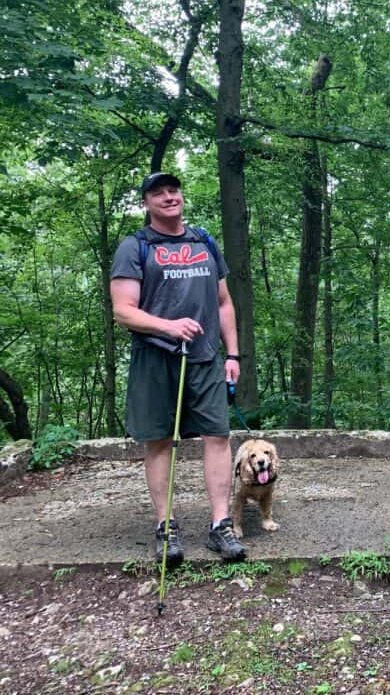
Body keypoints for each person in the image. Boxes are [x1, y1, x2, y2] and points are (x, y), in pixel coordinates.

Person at [110, 171, 246, 565]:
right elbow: (123, 310)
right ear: (147, 203)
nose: (169, 197)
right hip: (155, 359)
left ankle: (221, 525)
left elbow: (223, 303)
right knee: (159, 441)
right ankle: (166, 527)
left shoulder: (203, 241)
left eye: (174, 191)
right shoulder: (135, 247)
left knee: (217, 436)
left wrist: (233, 355)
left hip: (205, 358)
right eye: (159, 193)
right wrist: (169, 326)